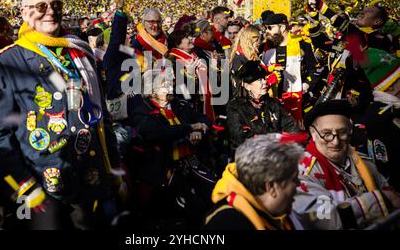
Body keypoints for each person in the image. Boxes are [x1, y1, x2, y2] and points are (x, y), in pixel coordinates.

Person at [0, 0, 122, 230]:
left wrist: (114, 168)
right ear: (24, 12)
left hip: (89, 180)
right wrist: (23, 187)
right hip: (40, 189)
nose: (50, 11)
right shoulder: (5, 62)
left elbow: (101, 114)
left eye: (56, 5)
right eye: (41, 6)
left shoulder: (80, 52)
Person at [292, 99, 400, 229]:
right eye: (326, 134)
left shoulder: (363, 162)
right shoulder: (303, 174)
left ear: (350, 130)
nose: (335, 142)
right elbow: (324, 219)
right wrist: (380, 199)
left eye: (342, 132)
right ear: (313, 134)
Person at [128, 69, 214, 226]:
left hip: (192, 161)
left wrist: (200, 130)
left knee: (214, 193)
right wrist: (189, 128)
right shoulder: (142, 112)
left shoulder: (180, 104)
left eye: (169, 83)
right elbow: (158, 133)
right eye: (163, 85)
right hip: (165, 168)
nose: (169, 87)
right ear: (151, 92)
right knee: (189, 208)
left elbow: (203, 119)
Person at [204, 134, 303, 230]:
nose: (299, 184)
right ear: (271, 186)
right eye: (294, 179)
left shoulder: (279, 214)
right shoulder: (225, 224)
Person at [227, 61, 299, 152]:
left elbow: (290, 125)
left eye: (264, 78)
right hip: (251, 157)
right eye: (259, 80)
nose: (265, 82)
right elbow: (241, 137)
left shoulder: (273, 103)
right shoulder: (235, 107)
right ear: (247, 86)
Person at [262, 13, 318, 122]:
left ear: (282, 27)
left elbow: (314, 68)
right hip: (271, 97)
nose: (266, 31)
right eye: (265, 28)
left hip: (295, 96)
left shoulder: (301, 43)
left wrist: (307, 84)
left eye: (270, 28)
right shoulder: (265, 46)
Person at [307, 0, 394, 53]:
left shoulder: (381, 40)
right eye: (363, 10)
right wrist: (313, 18)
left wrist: (324, 9)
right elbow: (322, 43)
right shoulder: (348, 42)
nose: (361, 13)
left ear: (377, 22)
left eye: (369, 11)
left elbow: (359, 36)